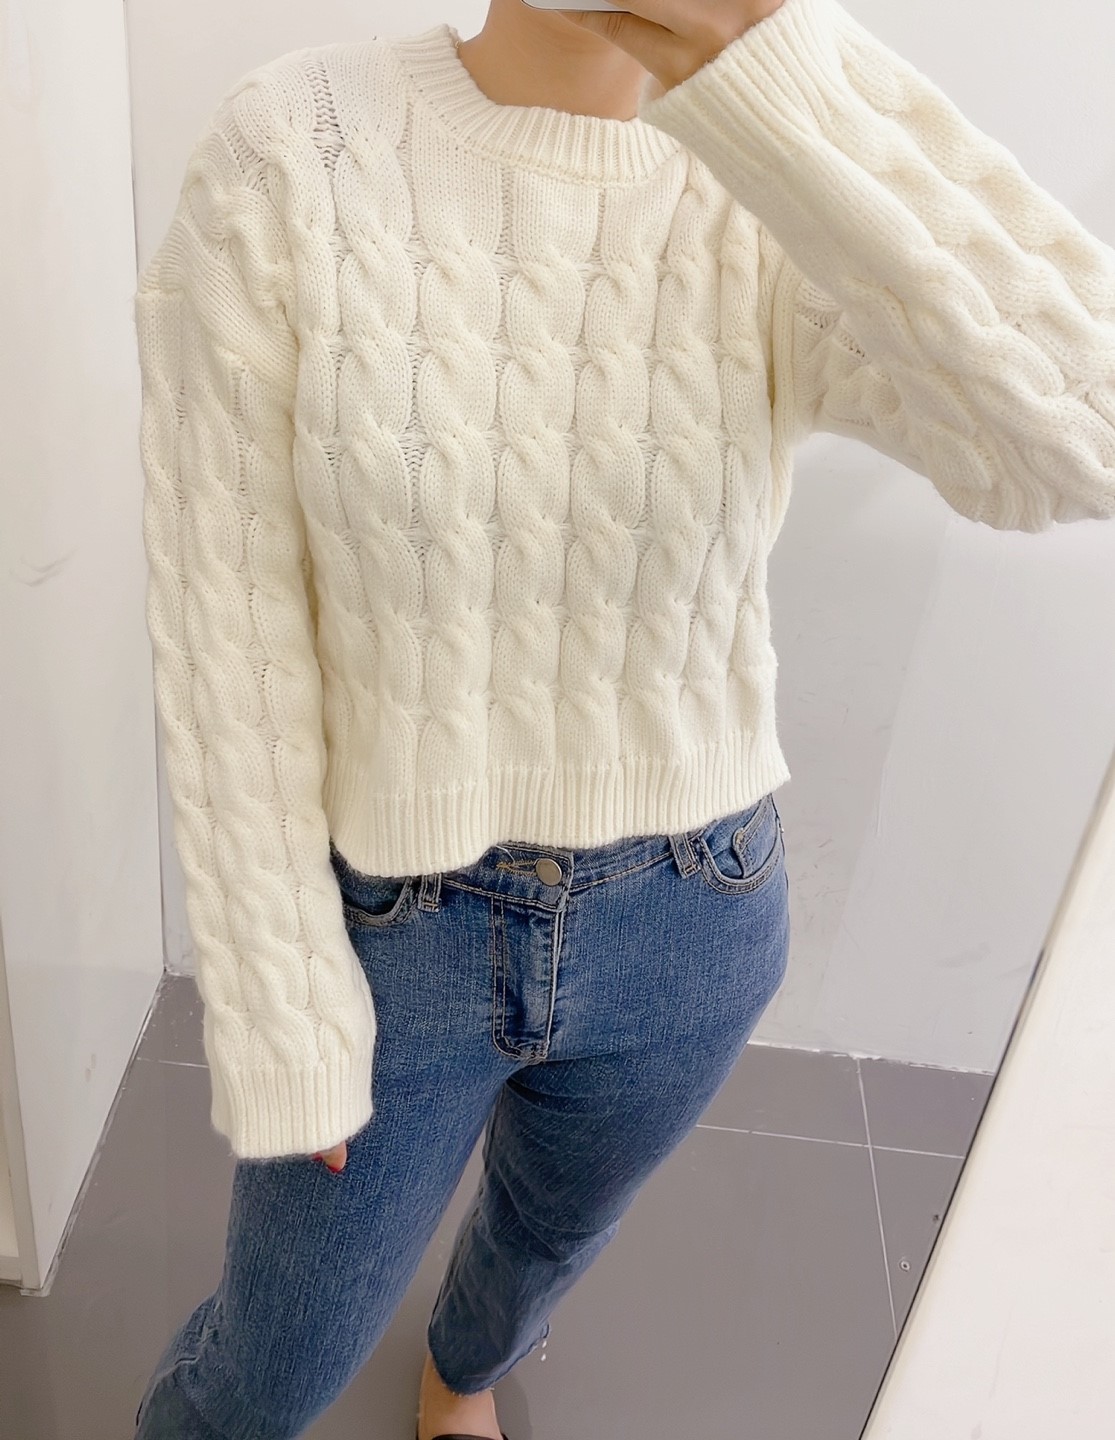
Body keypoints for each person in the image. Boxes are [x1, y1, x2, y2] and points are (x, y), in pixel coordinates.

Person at [130, 0, 1115, 1436]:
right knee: (261, 1381)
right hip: (394, 930)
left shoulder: (767, 172)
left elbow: (1084, 438)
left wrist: (771, 64)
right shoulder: (295, 148)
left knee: (542, 1241)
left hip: (691, 916)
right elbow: (229, 623)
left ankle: (464, 1373)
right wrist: (282, 1006)